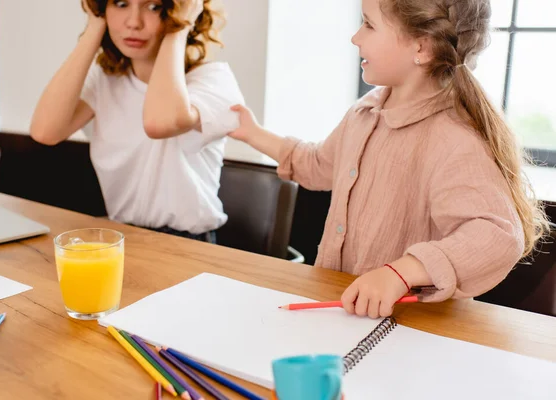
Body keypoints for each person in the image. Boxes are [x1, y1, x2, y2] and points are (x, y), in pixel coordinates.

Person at [229, 0, 549, 318]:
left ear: (421, 48)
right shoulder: (366, 110)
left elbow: (497, 237)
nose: (355, 37)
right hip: (348, 310)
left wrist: (402, 272)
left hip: (410, 330)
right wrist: (251, 132)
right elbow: (320, 165)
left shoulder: (454, 139)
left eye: (368, 25)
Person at [30, 0, 244, 243]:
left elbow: (159, 122)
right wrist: (94, 27)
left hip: (190, 244)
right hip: (122, 237)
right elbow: (45, 132)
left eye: (153, 7)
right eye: (120, 4)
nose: (133, 22)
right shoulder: (105, 80)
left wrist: (179, 27)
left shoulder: (212, 79)